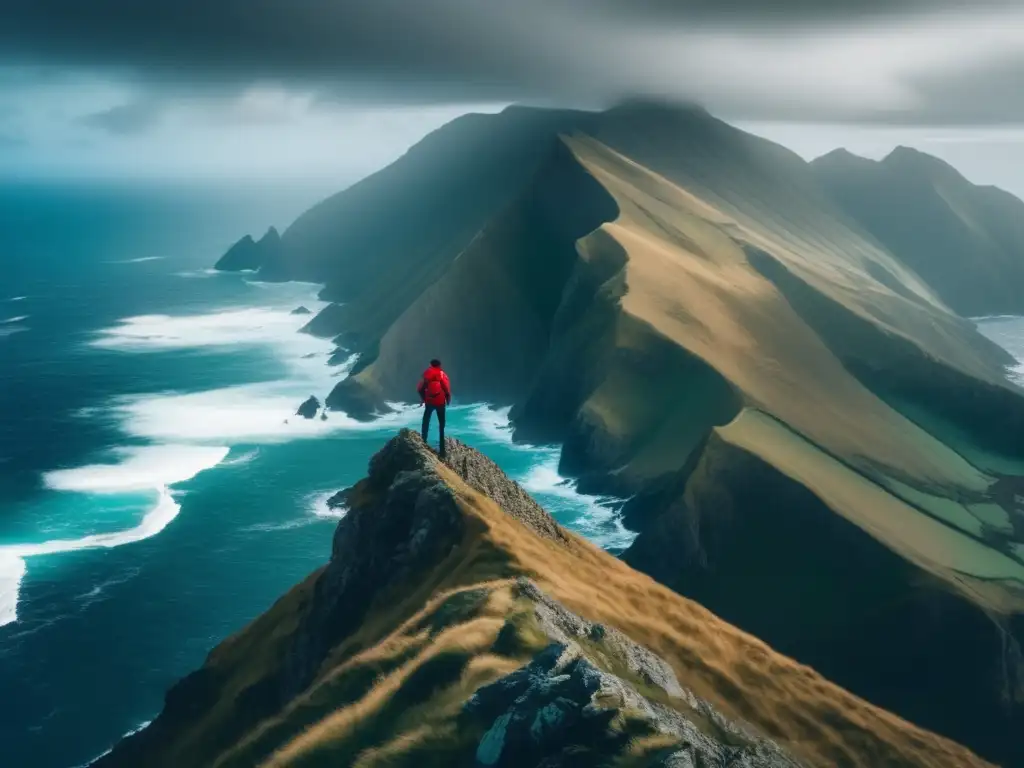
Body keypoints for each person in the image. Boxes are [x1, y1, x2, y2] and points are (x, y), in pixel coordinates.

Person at [417, 359, 451, 456]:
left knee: (426, 421)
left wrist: (424, 399)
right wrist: (448, 399)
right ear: (440, 365)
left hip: (429, 401)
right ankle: (442, 450)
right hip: (440, 402)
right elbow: (446, 388)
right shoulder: (442, 374)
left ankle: (423, 441)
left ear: (430, 365)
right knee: (441, 425)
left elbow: (419, 388)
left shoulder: (426, 374)